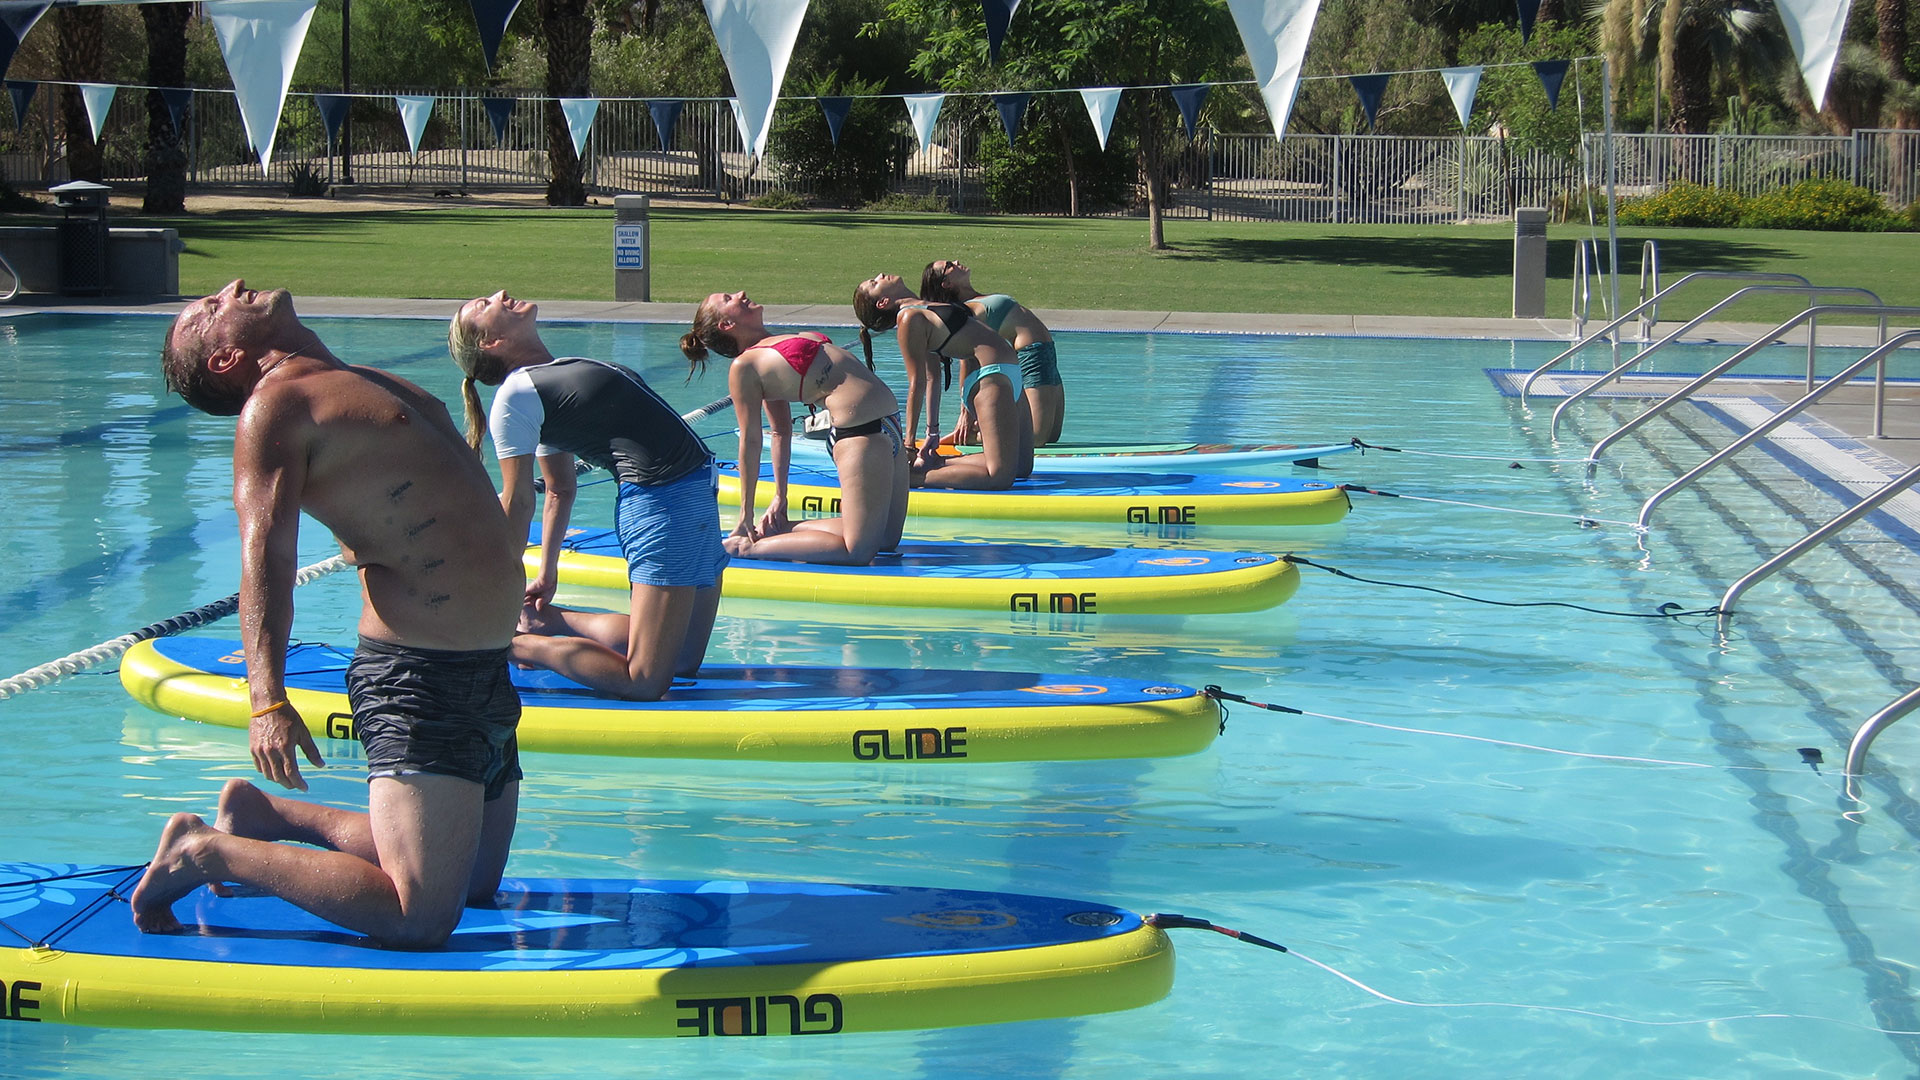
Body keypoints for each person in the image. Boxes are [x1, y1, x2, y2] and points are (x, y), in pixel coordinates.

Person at [131, 280, 526, 948]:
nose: (229, 288)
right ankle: (204, 851)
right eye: (210, 309)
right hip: (418, 679)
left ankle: (266, 816)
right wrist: (266, 700)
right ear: (225, 358)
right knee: (420, 918)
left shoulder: (362, 379)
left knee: (476, 885)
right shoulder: (276, 409)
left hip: (485, 667)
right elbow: (265, 559)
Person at [449, 290, 726, 699]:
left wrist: (547, 572)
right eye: (482, 305)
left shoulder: (549, 376)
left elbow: (560, 488)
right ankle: (505, 644)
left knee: (683, 658)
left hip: (696, 497)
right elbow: (518, 500)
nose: (499, 295)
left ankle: (545, 622)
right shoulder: (515, 396)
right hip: (662, 507)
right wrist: (498, 589)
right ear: (491, 342)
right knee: (645, 682)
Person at [682, 290, 910, 564]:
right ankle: (745, 548)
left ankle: (781, 530)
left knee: (886, 538)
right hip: (859, 434)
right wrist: (745, 515)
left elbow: (781, 431)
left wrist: (781, 496)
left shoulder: (774, 342)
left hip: (888, 425)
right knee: (858, 552)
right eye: (728, 299)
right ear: (726, 325)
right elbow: (751, 441)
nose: (741, 293)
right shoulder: (745, 365)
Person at [854, 272, 1034, 490]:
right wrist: (909, 444)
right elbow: (917, 382)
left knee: (1022, 466)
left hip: (1007, 373)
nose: (881, 275)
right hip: (990, 379)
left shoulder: (923, 307)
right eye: (874, 283)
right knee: (999, 478)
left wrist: (933, 434)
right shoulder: (908, 318)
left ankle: (936, 464)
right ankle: (910, 478)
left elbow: (934, 377)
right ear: (883, 302)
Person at [919, 259, 1066, 446]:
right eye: (949, 266)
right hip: (1031, 357)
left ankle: (982, 430)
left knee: (1052, 435)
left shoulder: (977, 300)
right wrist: (966, 410)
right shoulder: (969, 311)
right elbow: (968, 358)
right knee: (1036, 437)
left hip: (1046, 355)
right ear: (946, 283)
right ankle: (969, 437)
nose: (956, 262)